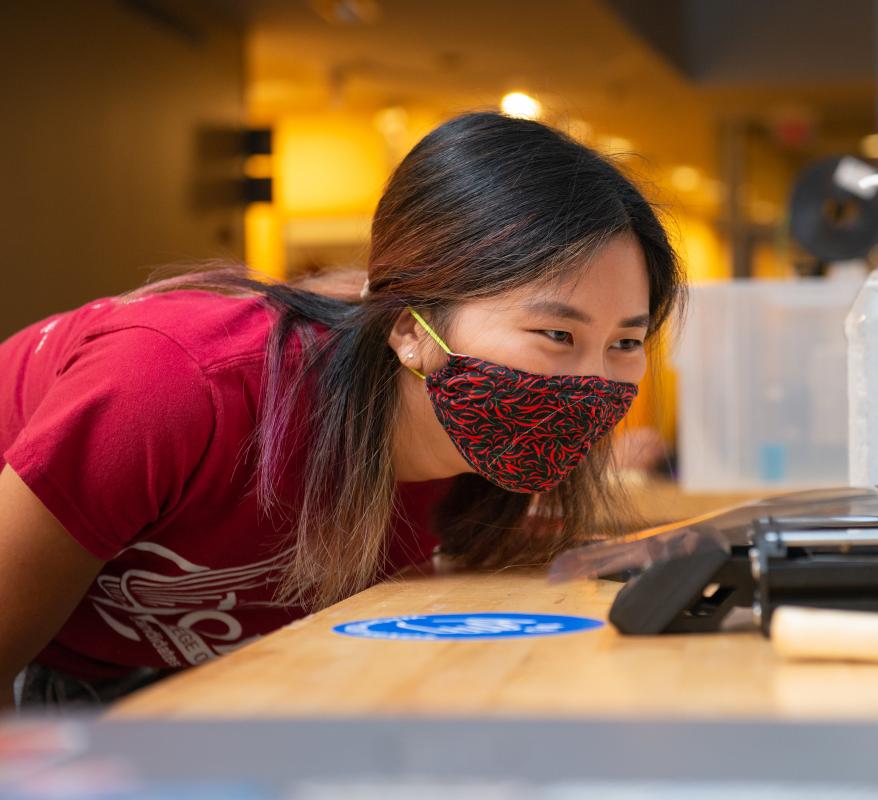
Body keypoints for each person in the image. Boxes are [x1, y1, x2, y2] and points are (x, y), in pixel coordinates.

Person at [0, 111, 685, 708]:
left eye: (626, 342)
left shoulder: (481, 468)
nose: (594, 381)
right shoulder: (178, 384)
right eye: (557, 336)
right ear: (411, 328)